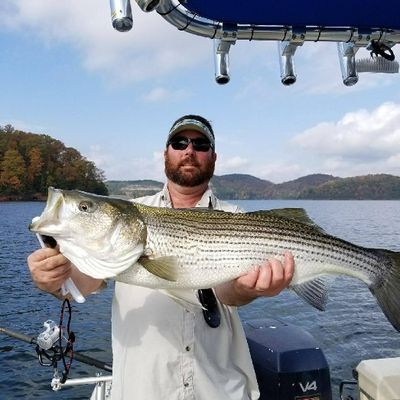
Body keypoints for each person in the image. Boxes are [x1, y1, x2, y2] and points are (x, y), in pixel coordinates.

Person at [27, 114, 295, 400]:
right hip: (142, 390)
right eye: (179, 143)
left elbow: (229, 293)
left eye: (200, 144)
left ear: (214, 157)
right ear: (165, 153)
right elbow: (83, 282)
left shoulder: (238, 219)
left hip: (219, 389)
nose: (189, 151)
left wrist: (245, 290)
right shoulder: (130, 214)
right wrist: (54, 279)